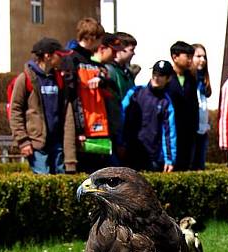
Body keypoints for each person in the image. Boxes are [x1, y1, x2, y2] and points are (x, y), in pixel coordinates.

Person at [9, 38, 69, 175]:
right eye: (59, 55)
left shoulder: (59, 78)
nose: (62, 59)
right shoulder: (25, 79)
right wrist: (23, 141)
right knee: (43, 180)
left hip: (57, 142)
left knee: (60, 182)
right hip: (37, 143)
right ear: (47, 56)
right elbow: (15, 110)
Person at [72, 33, 124, 171]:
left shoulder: (105, 70)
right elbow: (75, 101)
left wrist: (104, 81)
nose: (115, 55)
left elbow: (114, 95)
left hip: (106, 133)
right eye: (113, 51)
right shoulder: (79, 65)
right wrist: (79, 130)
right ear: (102, 48)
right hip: (89, 134)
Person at [61, 17, 105, 172]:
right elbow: (72, 97)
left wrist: (102, 78)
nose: (101, 45)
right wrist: (78, 130)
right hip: (82, 127)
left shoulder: (94, 62)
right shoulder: (71, 60)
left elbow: (108, 84)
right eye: (99, 39)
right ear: (91, 38)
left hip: (98, 127)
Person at [120, 60, 176, 172]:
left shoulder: (166, 102)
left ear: (168, 78)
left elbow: (169, 132)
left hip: (152, 157)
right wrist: (120, 142)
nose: (156, 77)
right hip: (129, 152)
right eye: (154, 73)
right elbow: (121, 117)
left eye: (161, 75)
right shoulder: (135, 92)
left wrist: (169, 160)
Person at [166, 41, 198, 170]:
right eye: (187, 56)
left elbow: (194, 104)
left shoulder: (190, 78)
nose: (190, 60)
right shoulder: (166, 77)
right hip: (172, 129)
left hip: (188, 131)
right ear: (175, 57)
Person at [191, 43, 212, 169]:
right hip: (192, 131)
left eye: (204, 57)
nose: (202, 60)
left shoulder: (202, 81)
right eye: (198, 56)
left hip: (202, 131)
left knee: (200, 167)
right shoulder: (189, 81)